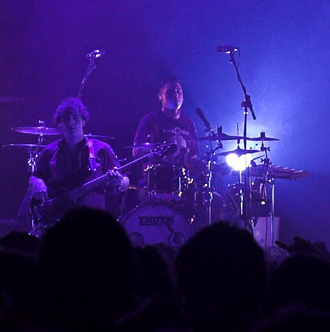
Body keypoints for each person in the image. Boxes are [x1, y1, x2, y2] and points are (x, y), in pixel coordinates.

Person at [25, 97, 123, 226]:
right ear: (60, 123)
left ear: (83, 121)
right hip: (58, 219)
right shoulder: (49, 151)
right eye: (66, 118)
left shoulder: (101, 149)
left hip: (94, 220)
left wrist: (118, 182)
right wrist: (37, 183)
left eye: (75, 118)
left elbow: (125, 181)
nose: (71, 122)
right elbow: (35, 177)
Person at [132, 76, 200, 198]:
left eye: (178, 91)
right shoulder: (151, 119)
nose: (175, 95)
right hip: (155, 183)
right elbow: (136, 152)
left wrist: (211, 166)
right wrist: (158, 152)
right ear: (160, 97)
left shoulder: (189, 124)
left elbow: (193, 158)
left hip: (181, 184)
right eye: (170, 92)